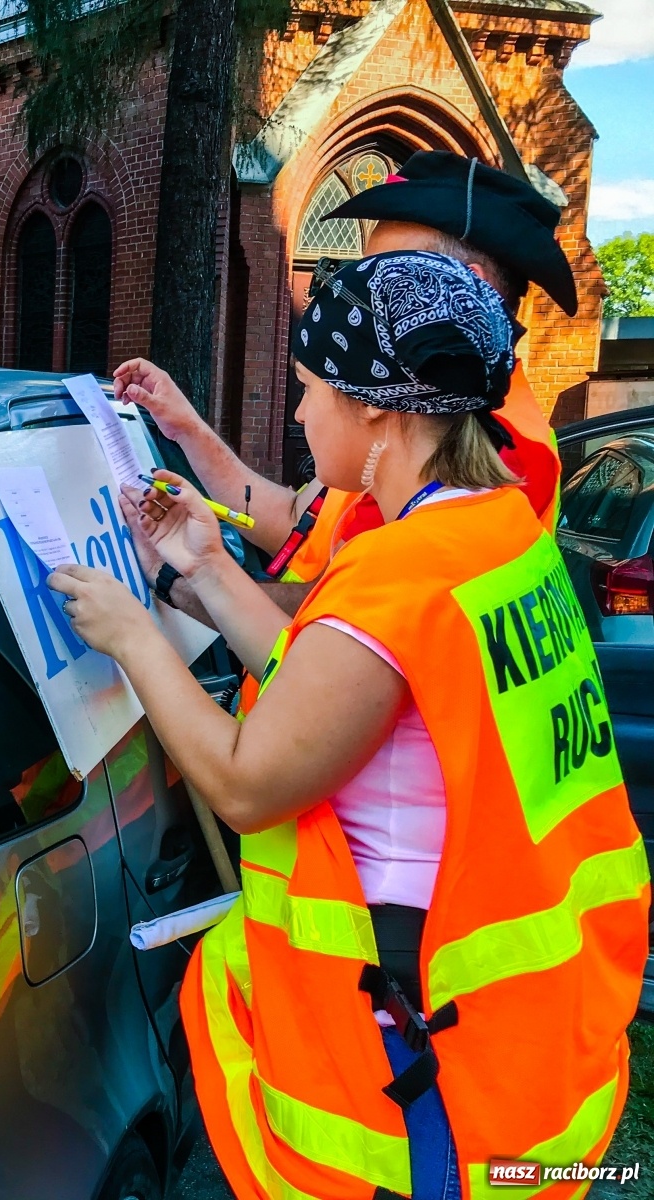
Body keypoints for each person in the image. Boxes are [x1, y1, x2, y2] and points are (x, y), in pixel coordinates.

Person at [48, 251, 647, 1199]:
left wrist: (137, 638)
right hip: (520, 1043)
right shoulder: (494, 531)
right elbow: (322, 678)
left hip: (424, 1082)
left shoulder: (403, 577)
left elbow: (248, 782)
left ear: (378, 409)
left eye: (309, 389)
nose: (296, 413)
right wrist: (205, 567)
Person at [125, 152, 574, 622]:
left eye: (384, 271)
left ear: (460, 287)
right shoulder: (396, 405)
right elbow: (296, 522)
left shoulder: (497, 443)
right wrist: (187, 428)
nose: (358, 289)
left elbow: (355, 615)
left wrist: (177, 584)